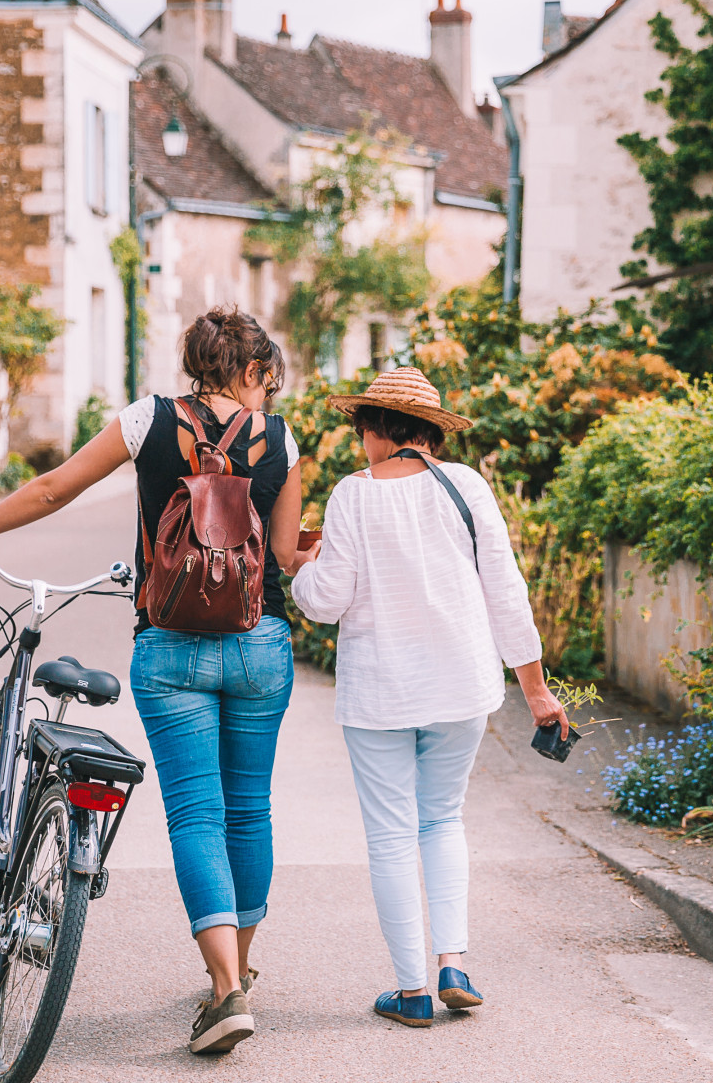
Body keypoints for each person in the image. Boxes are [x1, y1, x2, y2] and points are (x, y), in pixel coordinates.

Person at [0, 307, 301, 1056]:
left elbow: (55, 488)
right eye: (266, 380)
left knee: (196, 814)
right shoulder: (281, 438)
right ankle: (240, 972)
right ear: (255, 371)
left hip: (170, 648)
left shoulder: (148, 419)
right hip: (260, 646)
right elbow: (286, 555)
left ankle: (225, 987)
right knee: (248, 811)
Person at [288, 365, 567, 1028]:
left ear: (376, 429)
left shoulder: (353, 496)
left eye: (361, 430)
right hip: (463, 684)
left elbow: (328, 602)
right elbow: (506, 590)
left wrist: (300, 571)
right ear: (428, 432)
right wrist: (537, 691)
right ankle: (454, 964)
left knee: (390, 837)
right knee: (442, 819)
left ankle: (412, 991)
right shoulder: (466, 486)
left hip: (382, 691)